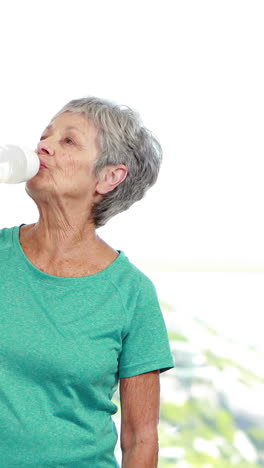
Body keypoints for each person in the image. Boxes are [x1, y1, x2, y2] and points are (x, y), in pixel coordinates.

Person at [0, 96, 174, 467]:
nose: (42, 146)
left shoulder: (132, 294)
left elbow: (140, 439)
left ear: (110, 176)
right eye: (45, 136)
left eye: (68, 141)